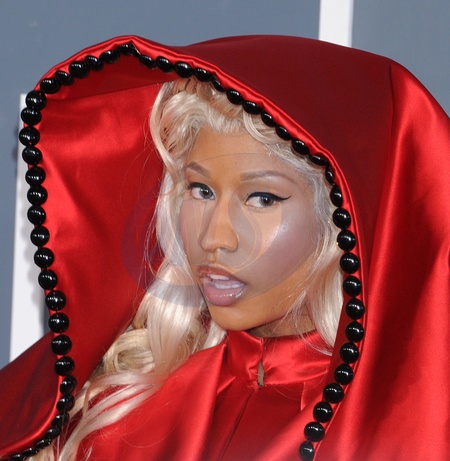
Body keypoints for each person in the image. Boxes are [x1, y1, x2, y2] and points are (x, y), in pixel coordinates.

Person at [0, 35, 449, 460]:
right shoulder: (114, 416)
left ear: (344, 218)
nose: (214, 238)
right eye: (200, 190)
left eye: (262, 199)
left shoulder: (414, 429)